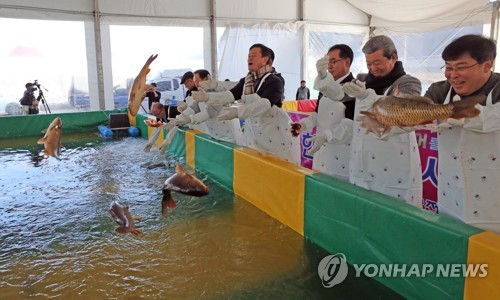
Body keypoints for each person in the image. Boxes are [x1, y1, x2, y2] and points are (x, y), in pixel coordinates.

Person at [424, 34, 500, 232]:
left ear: (486, 65)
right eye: (448, 67)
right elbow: (417, 113)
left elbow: (490, 118)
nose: (452, 75)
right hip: (451, 192)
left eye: (461, 67)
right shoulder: (439, 90)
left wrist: (447, 114)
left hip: (493, 198)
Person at [341, 35, 423, 208]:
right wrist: (326, 80)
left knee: (394, 215)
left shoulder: (408, 82)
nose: (373, 68)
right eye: (369, 63)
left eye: (377, 63)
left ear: (393, 57)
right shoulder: (363, 79)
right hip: (362, 163)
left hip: (394, 166)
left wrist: (366, 96)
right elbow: (340, 95)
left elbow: (404, 112)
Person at [192, 43, 301, 164]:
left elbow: (264, 105)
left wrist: (238, 112)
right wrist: (207, 97)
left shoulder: (275, 80)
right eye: (248, 55)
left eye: (253, 55)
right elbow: (229, 94)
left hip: (278, 138)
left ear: (265, 60)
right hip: (257, 136)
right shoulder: (247, 80)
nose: (249, 58)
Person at [291, 44, 356, 180]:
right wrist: (302, 125)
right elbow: (317, 114)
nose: (329, 66)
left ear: (347, 62)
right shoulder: (325, 86)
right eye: (327, 62)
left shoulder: (354, 87)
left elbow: (350, 126)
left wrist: (327, 136)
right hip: (321, 155)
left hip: (341, 158)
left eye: (333, 61)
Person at [168, 69, 244, 145]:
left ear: (207, 79)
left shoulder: (218, 92)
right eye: (195, 82)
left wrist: (190, 119)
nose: (196, 84)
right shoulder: (201, 93)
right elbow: (193, 108)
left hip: (229, 136)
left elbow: (210, 112)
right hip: (214, 135)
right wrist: (178, 119)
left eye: (198, 81)